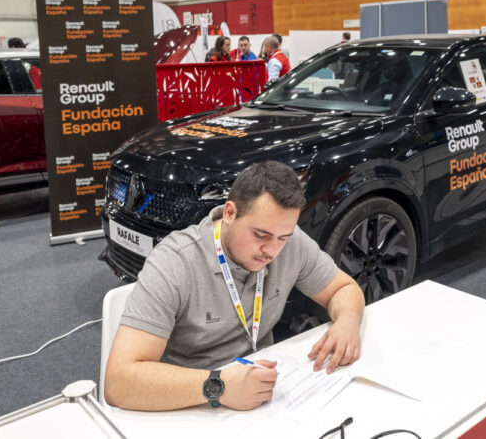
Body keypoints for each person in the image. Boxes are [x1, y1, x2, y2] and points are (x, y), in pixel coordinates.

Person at [104, 161, 365, 411]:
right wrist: (219, 387)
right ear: (229, 213)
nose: (271, 250)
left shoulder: (289, 241)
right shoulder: (175, 262)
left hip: (262, 397)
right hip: (190, 403)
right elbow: (119, 381)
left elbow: (343, 289)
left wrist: (348, 321)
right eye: (260, 235)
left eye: (282, 238)